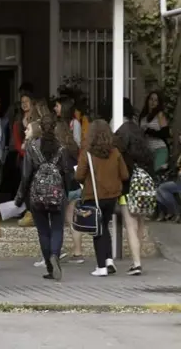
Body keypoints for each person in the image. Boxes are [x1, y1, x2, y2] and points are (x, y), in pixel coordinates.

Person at [15, 115, 69, 281]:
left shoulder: (32, 147)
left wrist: (20, 197)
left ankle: (49, 265)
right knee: (57, 228)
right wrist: (66, 192)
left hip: (37, 194)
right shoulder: (61, 147)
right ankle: (55, 255)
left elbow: (26, 175)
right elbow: (66, 172)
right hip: (57, 194)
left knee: (43, 231)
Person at [75, 119, 129, 277]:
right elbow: (125, 174)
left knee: (97, 231)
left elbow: (79, 176)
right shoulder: (115, 152)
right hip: (112, 196)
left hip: (94, 196)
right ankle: (109, 260)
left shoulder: (88, 153)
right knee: (104, 227)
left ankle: (101, 267)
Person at [115, 99, 155, 274]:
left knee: (130, 225)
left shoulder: (121, 132)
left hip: (129, 185)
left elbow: (117, 157)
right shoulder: (139, 131)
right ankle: (137, 259)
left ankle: (136, 263)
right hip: (144, 184)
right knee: (140, 224)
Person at [55, 121, 84, 264]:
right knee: (74, 220)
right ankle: (77, 251)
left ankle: (75, 252)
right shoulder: (73, 146)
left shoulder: (60, 149)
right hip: (76, 186)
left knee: (65, 220)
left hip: (65, 187)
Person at [138, 91, 170, 172]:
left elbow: (165, 133)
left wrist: (149, 131)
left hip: (159, 149)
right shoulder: (143, 116)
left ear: (158, 103)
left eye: (155, 100)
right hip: (148, 151)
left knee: (155, 173)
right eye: (151, 99)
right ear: (147, 101)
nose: (152, 102)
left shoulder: (159, 115)